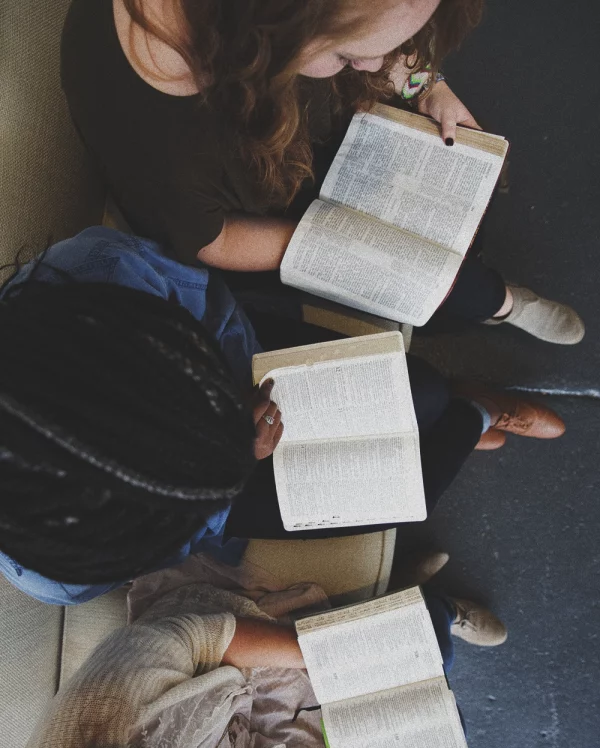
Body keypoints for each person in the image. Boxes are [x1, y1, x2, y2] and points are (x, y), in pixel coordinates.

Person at [0, 227, 566, 605]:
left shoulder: (102, 273)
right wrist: (235, 468)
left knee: (420, 392)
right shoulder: (61, 563)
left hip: (235, 359)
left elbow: (212, 304)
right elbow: (173, 543)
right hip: (216, 494)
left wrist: (224, 408)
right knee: (407, 495)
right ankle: (478, 411)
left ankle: (454, 402)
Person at [60, 0, 584, 345]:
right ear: (272, 32)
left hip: (314, 146)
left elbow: (364, 25)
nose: (378, 65)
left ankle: (480, 286)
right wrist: (335, 242)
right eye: (348, 53)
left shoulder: (253, 30)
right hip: (265, 221)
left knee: (454, 228)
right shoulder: (153, 133)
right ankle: (500, 304)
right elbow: (210, 240)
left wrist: (426, 83)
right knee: (424, 270)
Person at [9, 551, 507, 748]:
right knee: (424, 735)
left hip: (222, 663)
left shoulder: (101, 719)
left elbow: (198, 636)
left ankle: (430, 610)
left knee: (416, 652)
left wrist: (321, 654)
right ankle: (397, 606)